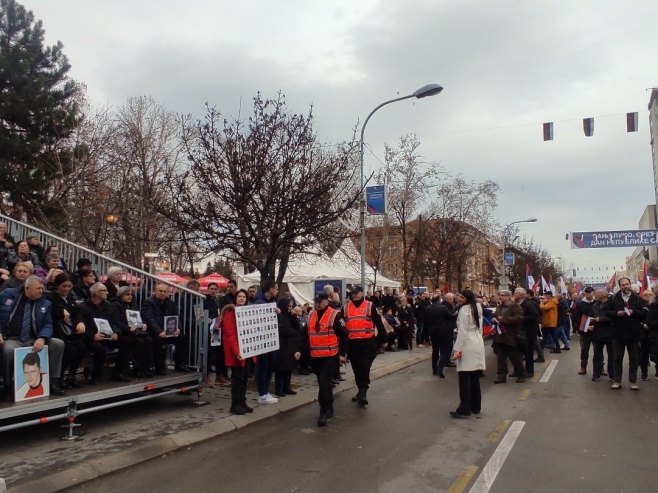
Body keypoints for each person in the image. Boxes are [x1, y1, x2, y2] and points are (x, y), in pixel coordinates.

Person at [0, 275, 66, 399]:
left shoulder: (45, 302)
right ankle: (8, 386)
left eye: (42, 288)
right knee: (8, 350)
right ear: (27, 288)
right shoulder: (8, 294)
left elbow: (48, 324)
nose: (41, 291)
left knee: (58, 344)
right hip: (12, 338)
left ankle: (53, 382)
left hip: (33, 338)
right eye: (38, 289)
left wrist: (42, 338)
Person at [75, 282, 133, 383]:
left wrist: (115, 332)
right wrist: (93, 336)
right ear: (96, 293)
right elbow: (83, 327)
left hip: (107, 335)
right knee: (98, 348)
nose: (107, 292)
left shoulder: (107, 306)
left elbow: (113, 322)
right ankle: (96, 376)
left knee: (127, 342)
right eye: (104, 290)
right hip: (91, 337)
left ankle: (118, 373)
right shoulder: (83, 307)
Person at [342, 285, 387, 407]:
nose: (355, 294)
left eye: (357, 292)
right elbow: (341, 327)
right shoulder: (345, 308)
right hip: (353, 344)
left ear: (362, 293)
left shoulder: (369, 305)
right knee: (357, 369)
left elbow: (378, 322)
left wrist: (384, 339)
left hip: (368, 343)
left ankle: (363, 393)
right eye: (353, 293)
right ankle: (360, 390)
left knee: (364, 367)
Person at [308, 293, 348, 426]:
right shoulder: (311, 315)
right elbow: (305, 334)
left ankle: (323, 411)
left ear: (326, 301)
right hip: (315, 356)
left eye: (320, 301)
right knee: (322, 383)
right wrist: (298, 350)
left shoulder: (334, 315)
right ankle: (329, 406)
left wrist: (342, 354)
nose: (317, 304)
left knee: (324, 383)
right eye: (316, 301)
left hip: (330, 356)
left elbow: (344, 335)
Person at [141, 282, 190, 375]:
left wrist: (178, 328)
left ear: (168, 292)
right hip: (154, 331)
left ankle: (179, 364)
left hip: (169, 330)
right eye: (160, 291)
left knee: (183, 338)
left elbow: (176, 316)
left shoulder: (170, 302)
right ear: (155, 291)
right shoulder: (149, 302)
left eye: (165, 291)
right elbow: (149, 319)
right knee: (159, 341)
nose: (163, 293)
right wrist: (159, 331)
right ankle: (160, 367)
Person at [450, 290, 485, 418]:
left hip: (467, 343)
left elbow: (462, 331)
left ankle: (464, 407)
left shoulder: (464, 310)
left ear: (467, 298)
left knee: (464, 377)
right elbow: (479, 327)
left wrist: (457, 349)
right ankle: (476, 406)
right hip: (477, 341)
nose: (459, 298)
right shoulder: (478, 307)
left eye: (462, 296)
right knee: (475, 376)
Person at [48, 273, 87, 388]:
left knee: (82, 348)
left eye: (69, 286)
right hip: (58, 332)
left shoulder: (70, 299)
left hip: (70, 333)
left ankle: (71, 375)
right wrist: (61, 310)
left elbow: (78, 313)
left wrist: (80, 321)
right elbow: (52, 312)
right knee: (70, 350)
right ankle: (58, 377)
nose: (66, 289)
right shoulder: (51, 297)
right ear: (57, 286)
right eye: (64, 286)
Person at [606, 277, 645, 390]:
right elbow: (607, 312)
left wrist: (634, 312)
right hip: (618, 333)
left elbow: (644, 313)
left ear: (630, 284)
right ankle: (617, 381)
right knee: (617, 358)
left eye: (627, 284)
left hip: (633, 333)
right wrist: (616, 313)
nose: (625, 286)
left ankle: (633, 381)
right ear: (620, 286)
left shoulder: (637, 298)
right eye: (623, 285)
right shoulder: (613, 298)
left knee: (634, 359)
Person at [221, 288, 254, 415]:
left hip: (247, 351)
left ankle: (242, 402)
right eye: (239, 296)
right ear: (235, 298)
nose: (242, 298)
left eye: (244, 297)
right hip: (237, 353)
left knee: (245, 379)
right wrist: (237, 351)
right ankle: (235, 405)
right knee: (238, 379)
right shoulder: (230, 314)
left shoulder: (247, 313)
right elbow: (230, 335)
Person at [112, 286, 154, 378]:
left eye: (131, 294)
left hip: (136, 331)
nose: (130, 296)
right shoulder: (116, 305)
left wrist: (144, 324)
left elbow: (140, 317)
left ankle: (147, 368)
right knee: (139, 342)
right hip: (126, 332)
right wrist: (128, 329)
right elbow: (116, 321)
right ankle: (138, 369)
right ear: (121, 295)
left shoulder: (133, 305)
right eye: (127, 294)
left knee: (149, 340)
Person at [254, 279, 280, 404]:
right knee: (264, 365)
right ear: (270, 289)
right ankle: (262, 393)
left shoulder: (272, 301)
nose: (277, 291)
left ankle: (265, 391)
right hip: (262, 339)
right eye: (276, 288)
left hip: (270, 338)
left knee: (271, 364)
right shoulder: (259, 300)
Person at [493, 289, 527, 383]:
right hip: (500, 335)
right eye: (499, 295)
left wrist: (504, 319)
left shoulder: (515, 306)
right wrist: (494, 319)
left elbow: (519, 318)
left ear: (508, 296)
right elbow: (496, 316)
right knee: (500, 357)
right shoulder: (500, 306)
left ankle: (521, 374)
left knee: (515, 357)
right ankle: (501, 375)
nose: (500, 297)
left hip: (511, 335)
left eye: (503, 295)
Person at [274, 298, 302, 397]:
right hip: (282, 345)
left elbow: (298, 327)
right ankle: (279, 388)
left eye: (291, 306)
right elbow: (282, 330)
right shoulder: (279, 316)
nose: (290, 308)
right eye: (288, 306)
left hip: (290, 345)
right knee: (281, 368)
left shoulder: (290, 316)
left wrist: (294, 317)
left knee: (289, 368)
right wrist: (293, 332)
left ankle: (287, 387)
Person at [424, 295, 455, 378]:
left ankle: (434, 369)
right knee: (443, 351)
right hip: (443, 332)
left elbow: (425, 321)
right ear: (439, 300)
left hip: (433, 333)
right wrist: (456, 312)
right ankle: (440, 368)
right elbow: (451, 316)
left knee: (435, 351)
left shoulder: (427, 308)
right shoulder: (443, 308)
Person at [514, 287, 540, 377]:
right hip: (519, 333)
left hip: (528, 333)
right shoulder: (515, 304)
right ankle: (518, 370)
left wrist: (521, 319)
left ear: (521, 295)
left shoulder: (529, 304)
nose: (514, 295)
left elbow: (534, 317)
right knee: (518, 353)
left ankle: (530, 371)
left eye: (515, 293)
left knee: (528, 353)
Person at [591, 289, 614, 382]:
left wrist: (600, 319)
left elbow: (613, 318)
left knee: (612, 355)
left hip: (610, 333)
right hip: (597, 333)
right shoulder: (595, 305)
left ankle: (612, 375)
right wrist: (590, 323)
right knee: (597, 355)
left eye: (596, 294)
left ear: (602, 295)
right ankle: (596, 374)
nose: (595, 296)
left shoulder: (612, 304)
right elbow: (592, 316)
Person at [573, 286, 596, 374]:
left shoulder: (597, 302)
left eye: (590, 292)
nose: (588, 293)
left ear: (593, 292)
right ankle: (583, 367)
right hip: (584, 331)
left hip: (596, 330)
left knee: (598, 351)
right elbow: (576, 317)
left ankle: (600, 367)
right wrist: (586, 326)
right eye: (586, 292)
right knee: (584, 350)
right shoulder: (579, 304)